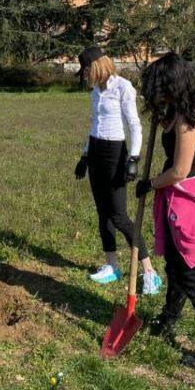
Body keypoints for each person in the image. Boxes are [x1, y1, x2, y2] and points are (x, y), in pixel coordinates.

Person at [136, 52, 195, 368]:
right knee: (175, 268)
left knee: (191, 275)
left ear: (173, 85)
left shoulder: (190, 121)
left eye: (160, 87)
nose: (156, 93)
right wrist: (162, 119)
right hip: (176, 201)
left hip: (190, 203)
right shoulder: (177, 113)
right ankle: (169, 317)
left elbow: (179, 170)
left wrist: (150, 184)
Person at [74, 46, 162, 293]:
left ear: (96, 66)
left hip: (115, 154)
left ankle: (149, 272)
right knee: (103, 214)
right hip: (96, 153)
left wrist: (133, 157)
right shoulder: (95, 91)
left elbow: (135, 125)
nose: (84, 75)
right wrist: (84, 155)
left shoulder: (123, 87)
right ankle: (112, 266)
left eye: (86, 70)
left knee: (119, 216)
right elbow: (94, 124)